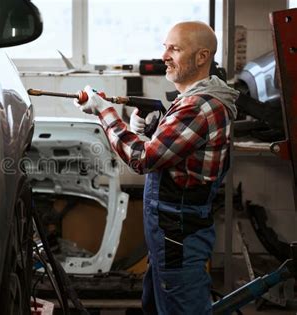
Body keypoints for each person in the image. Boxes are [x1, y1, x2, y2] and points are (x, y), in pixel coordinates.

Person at [74, 21, 239, 314]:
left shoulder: (200, 107)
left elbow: (145, 159)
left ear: (202, 57)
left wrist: (104, 112)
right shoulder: (192, 99)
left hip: (178, 237)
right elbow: (169, 154)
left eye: (174, 49)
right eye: (165, 47)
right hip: (169, 235)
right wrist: (143, 131)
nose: (164, 56)